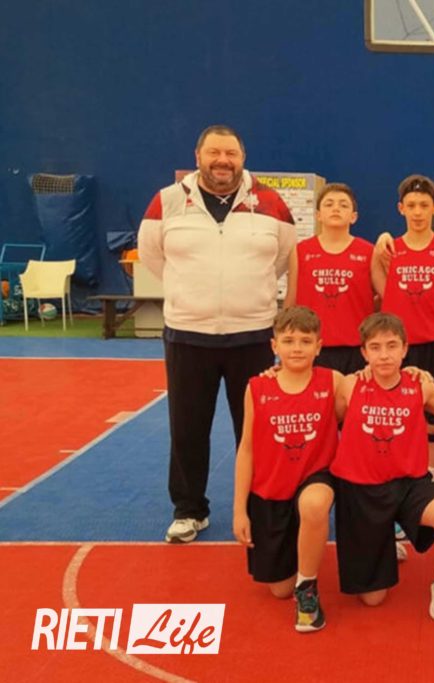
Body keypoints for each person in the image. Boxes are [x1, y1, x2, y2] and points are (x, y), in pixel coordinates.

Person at [138, 125, 296, 544]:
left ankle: (260, 507)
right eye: (214, 152)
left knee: (256, 429)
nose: (222, 160)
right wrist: (193, 292)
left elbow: (282, 258)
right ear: (198, 156)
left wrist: (246, 293)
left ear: (243, 157)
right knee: (187, 428)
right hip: (188, 335)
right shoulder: (167, 201)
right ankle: (190, 510)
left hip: (253, 334)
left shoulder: (272, 203)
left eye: (231, 153)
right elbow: (154, 257)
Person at [330, 312, 434, 635]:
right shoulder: (349, 385)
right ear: (364, 352)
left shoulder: (421, 386)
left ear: (405, 349)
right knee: (372, 599)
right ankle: (383, 540)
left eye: (392, 346)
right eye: (375, 347)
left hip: (408, 485)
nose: (384, 355)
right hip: (360, 491)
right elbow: (329, 417)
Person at [232, 307, 339, 632]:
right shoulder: (257, 387)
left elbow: (375, 385)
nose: (297, 348)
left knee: (315, 503)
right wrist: (239, 510)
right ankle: (297, 562)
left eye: (305, 341)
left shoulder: (332, 381)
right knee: (279, 590)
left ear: (318, 346)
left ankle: (307, 590)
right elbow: (246, 448)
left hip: (315, 479)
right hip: (271, 490)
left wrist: (415, 373)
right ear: (274, 345)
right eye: (289, 340)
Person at [372, 175, 434, 495]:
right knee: (396, 425)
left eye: (424, 205)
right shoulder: (388, 250)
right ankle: (396, 490)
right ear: (401, 208)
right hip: (398, 351)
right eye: (411, 206)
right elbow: (384, 294)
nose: (418, 212)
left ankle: (433, 493)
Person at [285, 183, 374, 374]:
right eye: (329, 204)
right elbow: (291, 301)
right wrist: (285, 342)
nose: (336, 208)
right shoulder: (300, 251)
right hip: (312, 348)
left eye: (343, 205)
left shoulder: (369, 252)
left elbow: (385, 299)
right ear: (318, 215)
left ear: (354, 216)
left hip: (356, 349)